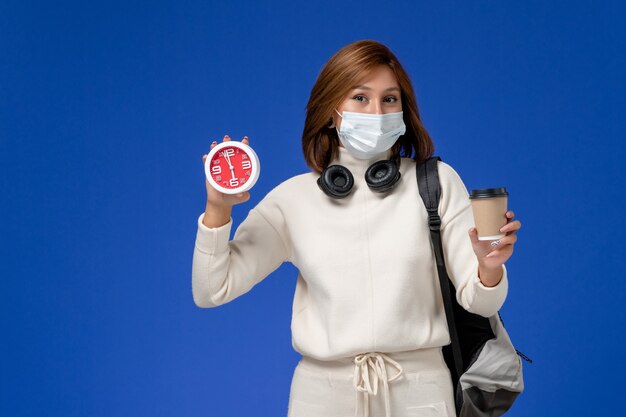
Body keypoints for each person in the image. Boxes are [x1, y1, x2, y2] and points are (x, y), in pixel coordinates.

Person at [192, 39, 521, 417]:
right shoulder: (293, 200)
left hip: (421, 393)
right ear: (332, 111)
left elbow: (481, 302)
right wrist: (217, 209)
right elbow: (211, 289)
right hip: (322, 396)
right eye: (360, 98)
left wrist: (489, 266)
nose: (376, 111)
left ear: (404, 109)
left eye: (390, 99)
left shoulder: (438, 184)